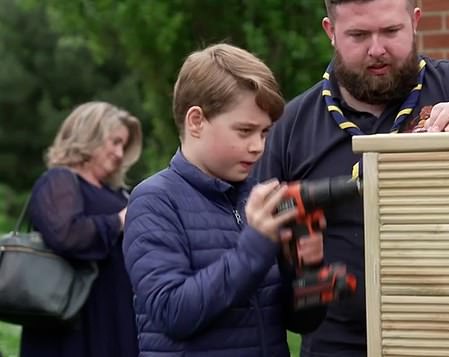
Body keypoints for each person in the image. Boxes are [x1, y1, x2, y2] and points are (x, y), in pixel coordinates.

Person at [253, 0, 449, 356]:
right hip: (335, 341)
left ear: (415, 21)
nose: (377, 50)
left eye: (391, 31)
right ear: (330, 32)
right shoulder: (290, 127)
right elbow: (253, 237)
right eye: (359, 35)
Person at [122, 43, 325, 357]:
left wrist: (306, 271)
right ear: (196, 122)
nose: (259, 146)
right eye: (244, 131)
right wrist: (257, 244)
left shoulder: (255, 196)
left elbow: (298, 322)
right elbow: (173, 313)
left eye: (265, 132)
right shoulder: (154, 201)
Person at [21, 101, 143, 357]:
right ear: (89, 136)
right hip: (73, 325)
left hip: (115, 318)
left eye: (123, 145)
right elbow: (66, 235)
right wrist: (118, 221)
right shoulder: (59, 180)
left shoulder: (117, 193)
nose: (120, 154)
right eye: (114, 142)